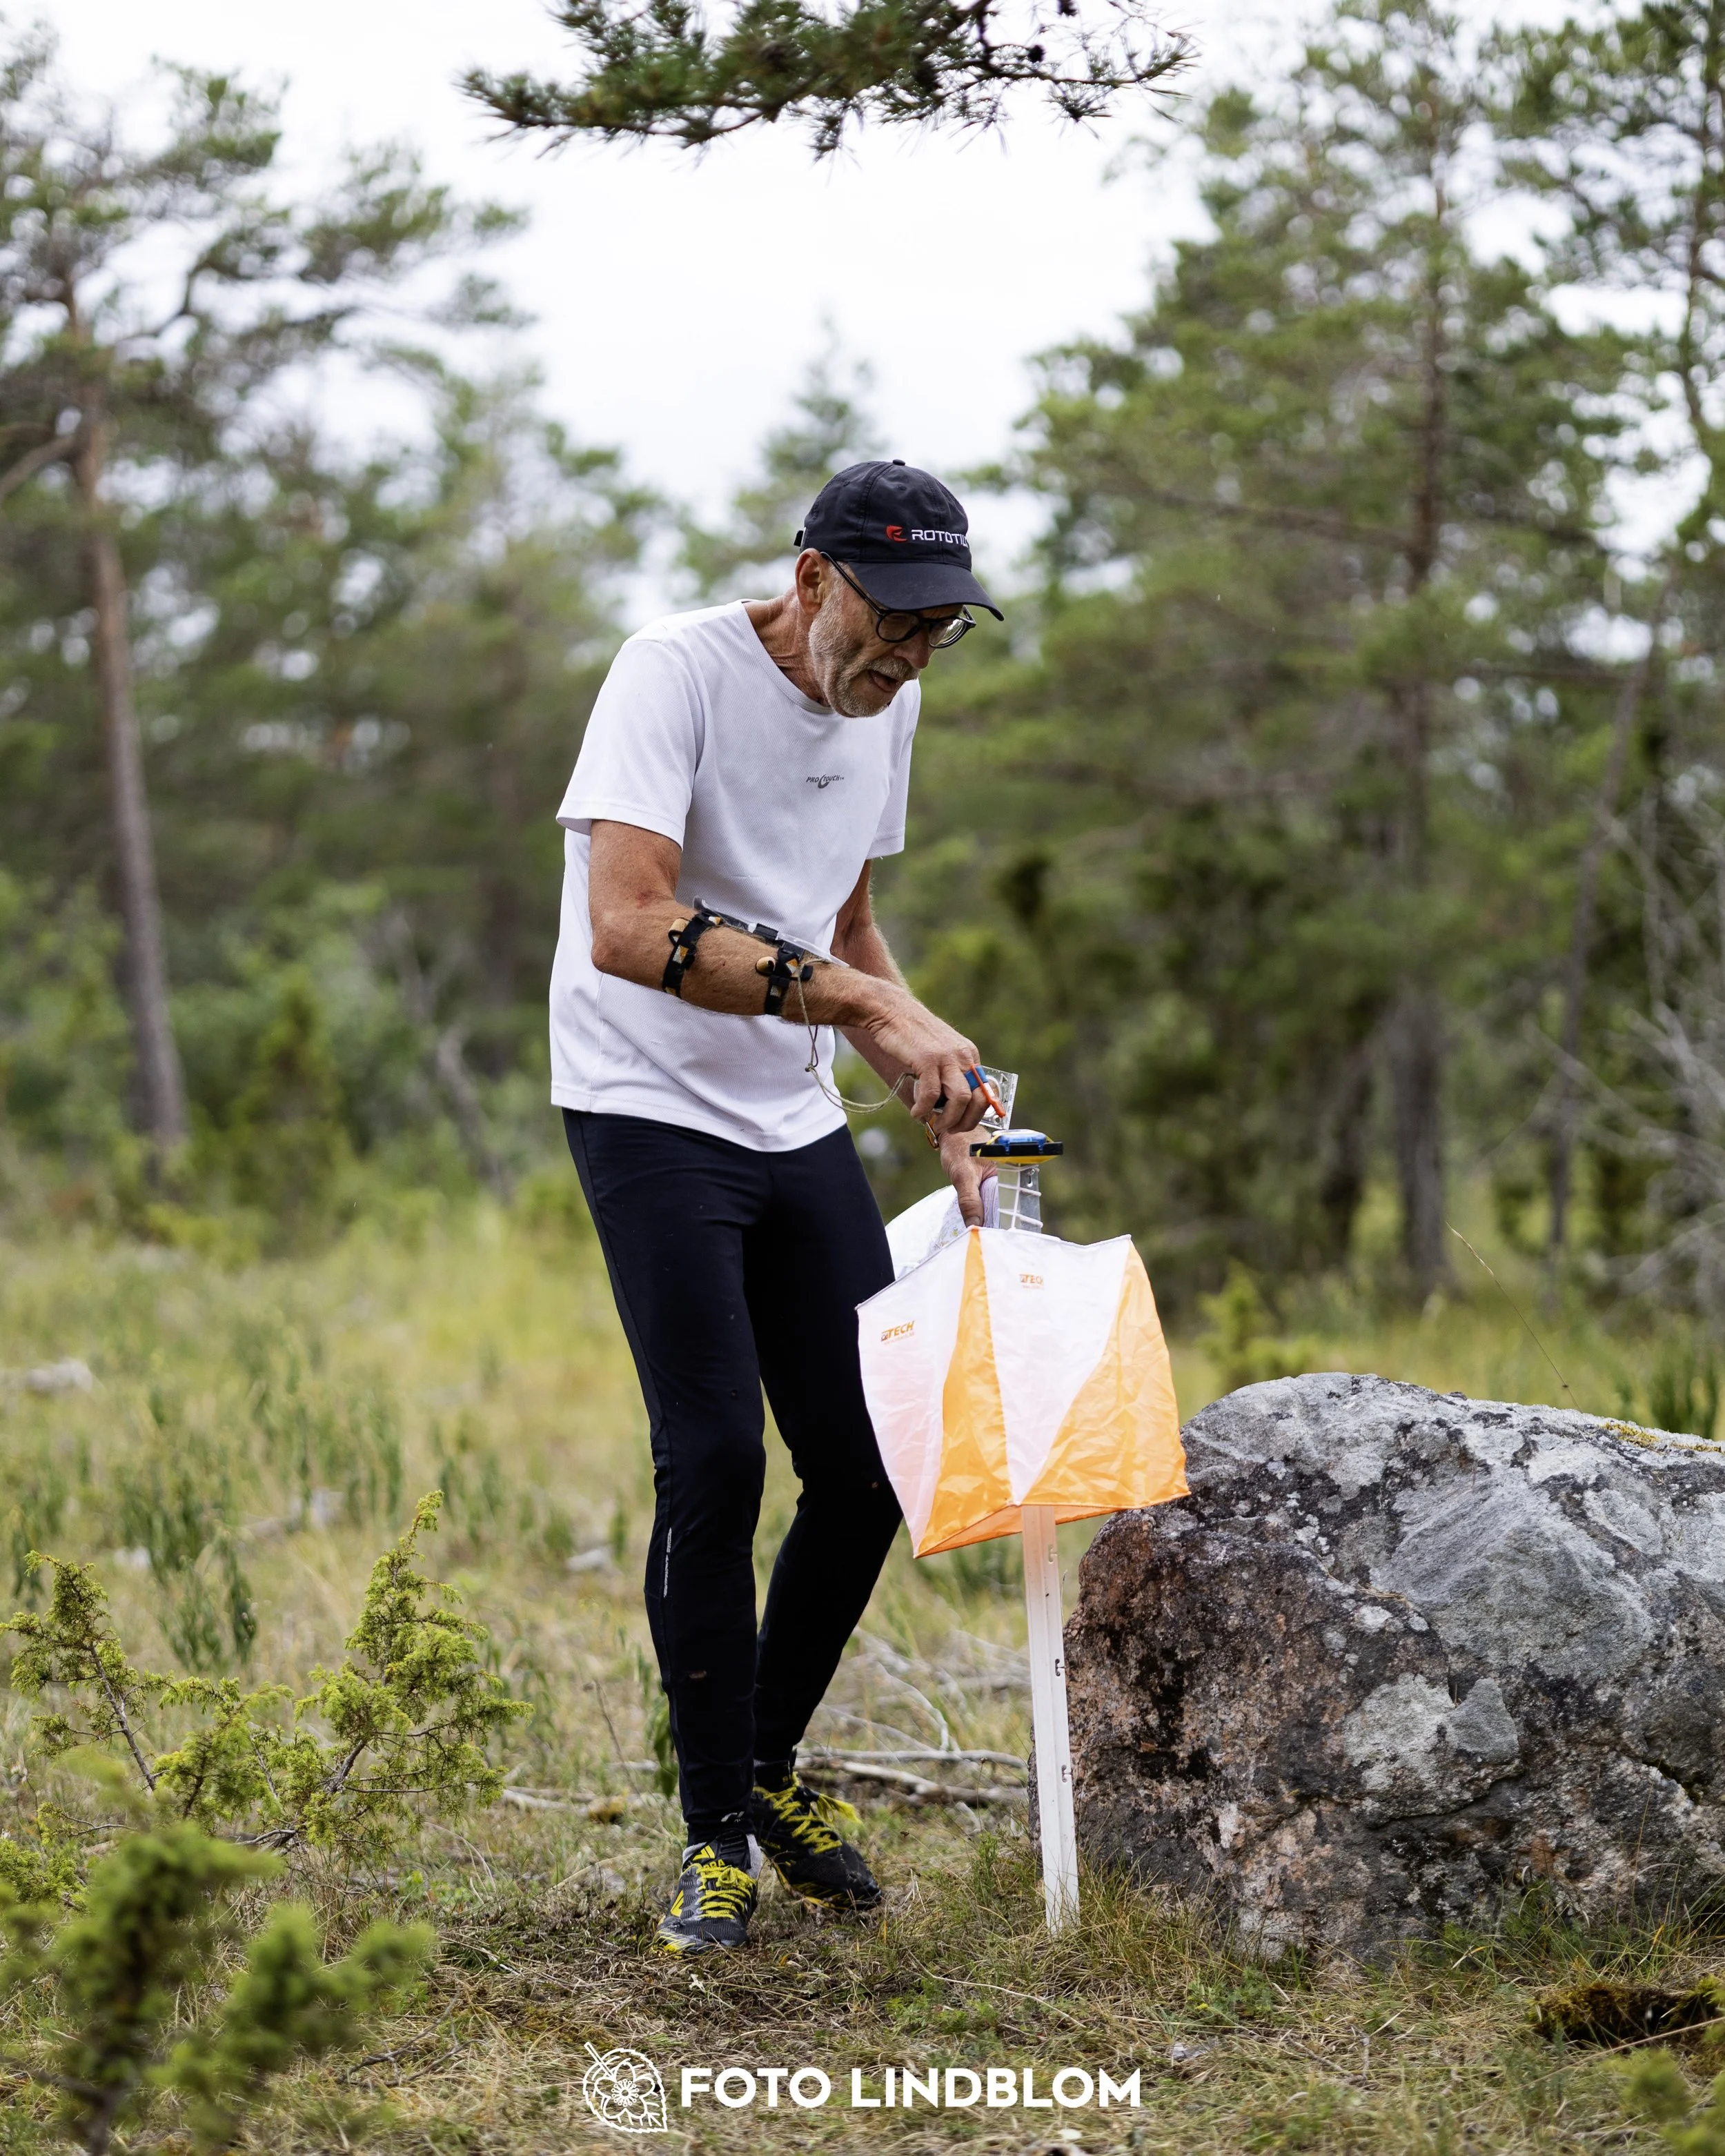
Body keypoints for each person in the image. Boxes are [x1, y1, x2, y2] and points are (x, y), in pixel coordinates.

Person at [549, 458, 1001, 1957]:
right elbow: (625, 921)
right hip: (642, 1101)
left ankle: (760, 1765)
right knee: (713, 1454)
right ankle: (710, 1837)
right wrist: (864, 994)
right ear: (811, 580)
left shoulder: (894, 699)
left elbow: (847, 923)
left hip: (786, 1103)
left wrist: (934, 1070)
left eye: (939, 630)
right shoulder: (669, 672)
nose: (906, 656)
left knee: (867, 1463)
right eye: (889, 622)